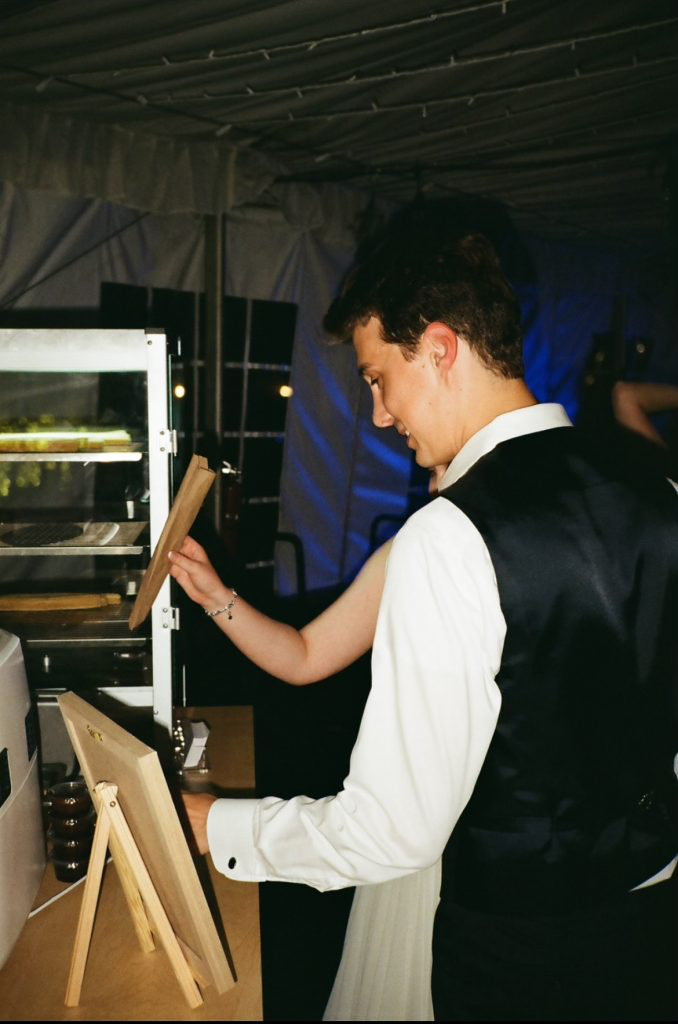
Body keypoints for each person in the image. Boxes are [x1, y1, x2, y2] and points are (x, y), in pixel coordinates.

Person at [173, 226, 678, 1020]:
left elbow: (391, 834)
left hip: (512, 951)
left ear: (439, 349)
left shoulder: (453, 535)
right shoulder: (658, 490)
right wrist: (214, 596)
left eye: (379, 379)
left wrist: (221, 825)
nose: (377, 415)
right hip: (647, 927)